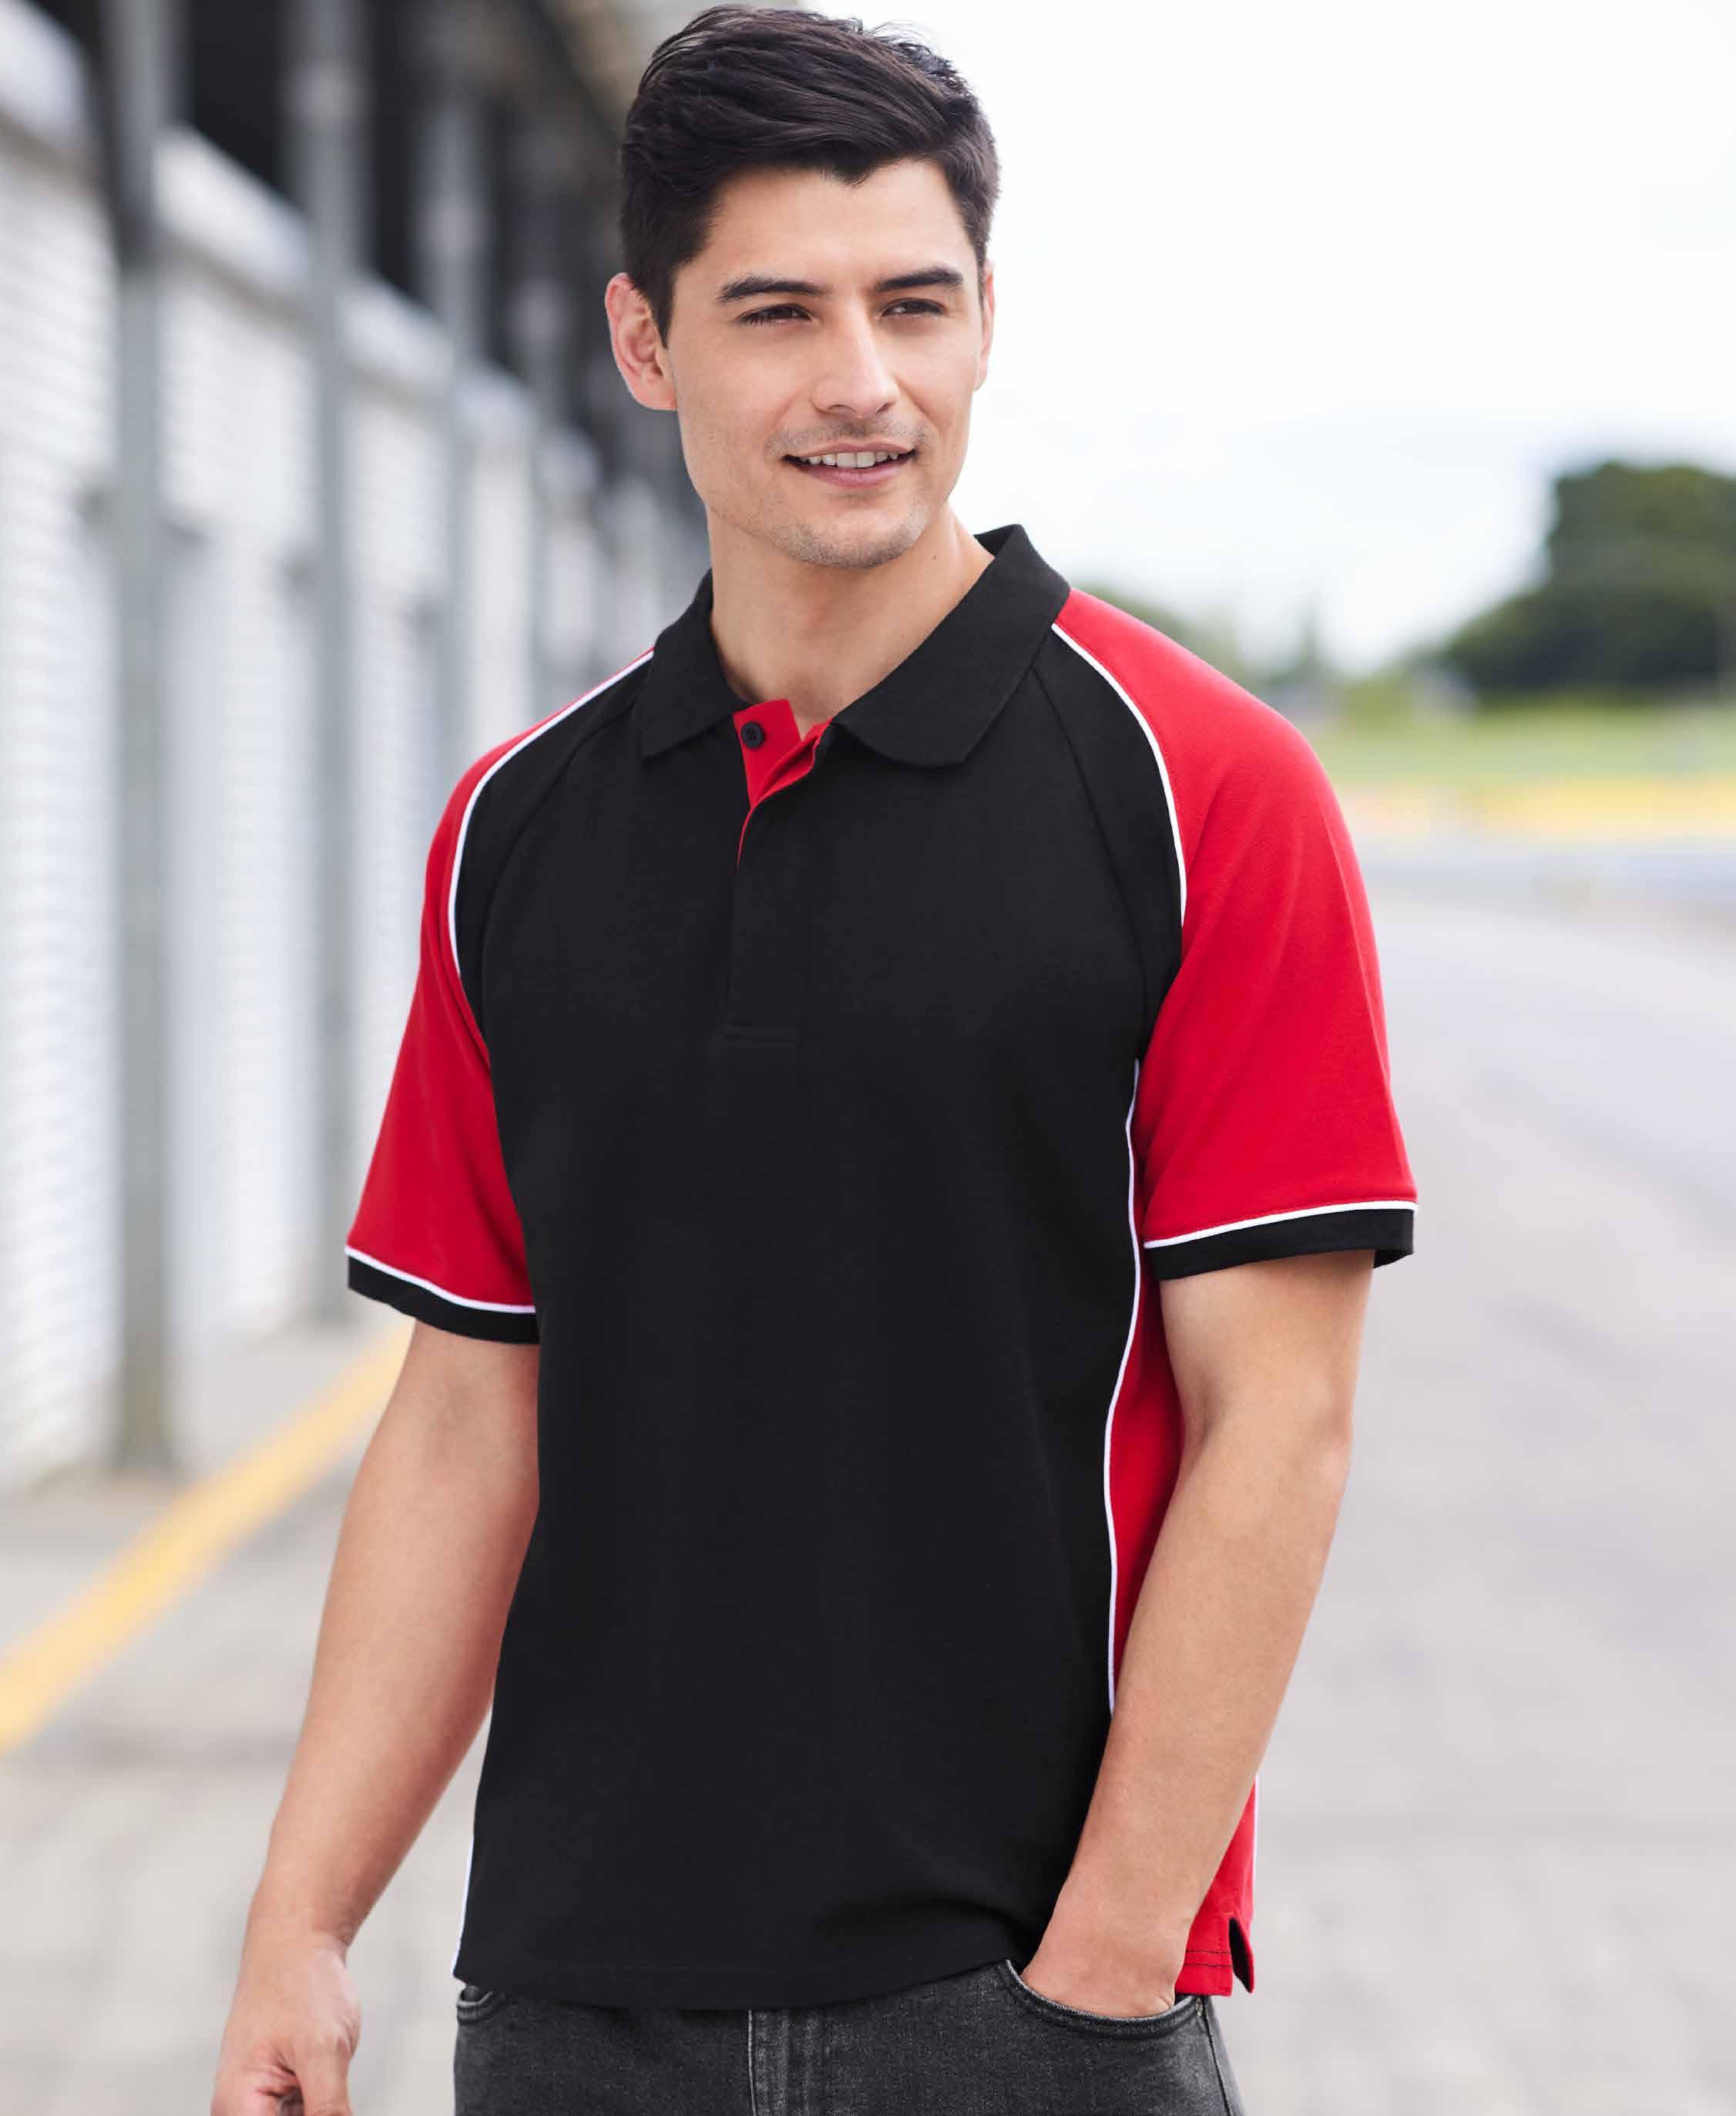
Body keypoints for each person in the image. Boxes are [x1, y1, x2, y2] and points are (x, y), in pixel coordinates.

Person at [213, 6, 1417, 2112]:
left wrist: (1099, 1971)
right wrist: (301, 1922)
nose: (862, 380)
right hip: (575, 2001)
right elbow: (468, 1413)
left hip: (1026, 1988)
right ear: (645, 342)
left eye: (913, 305)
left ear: (984, 324)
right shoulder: (519, 830)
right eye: (778, 311)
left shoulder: (1202, 789)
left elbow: (1281, 1421)